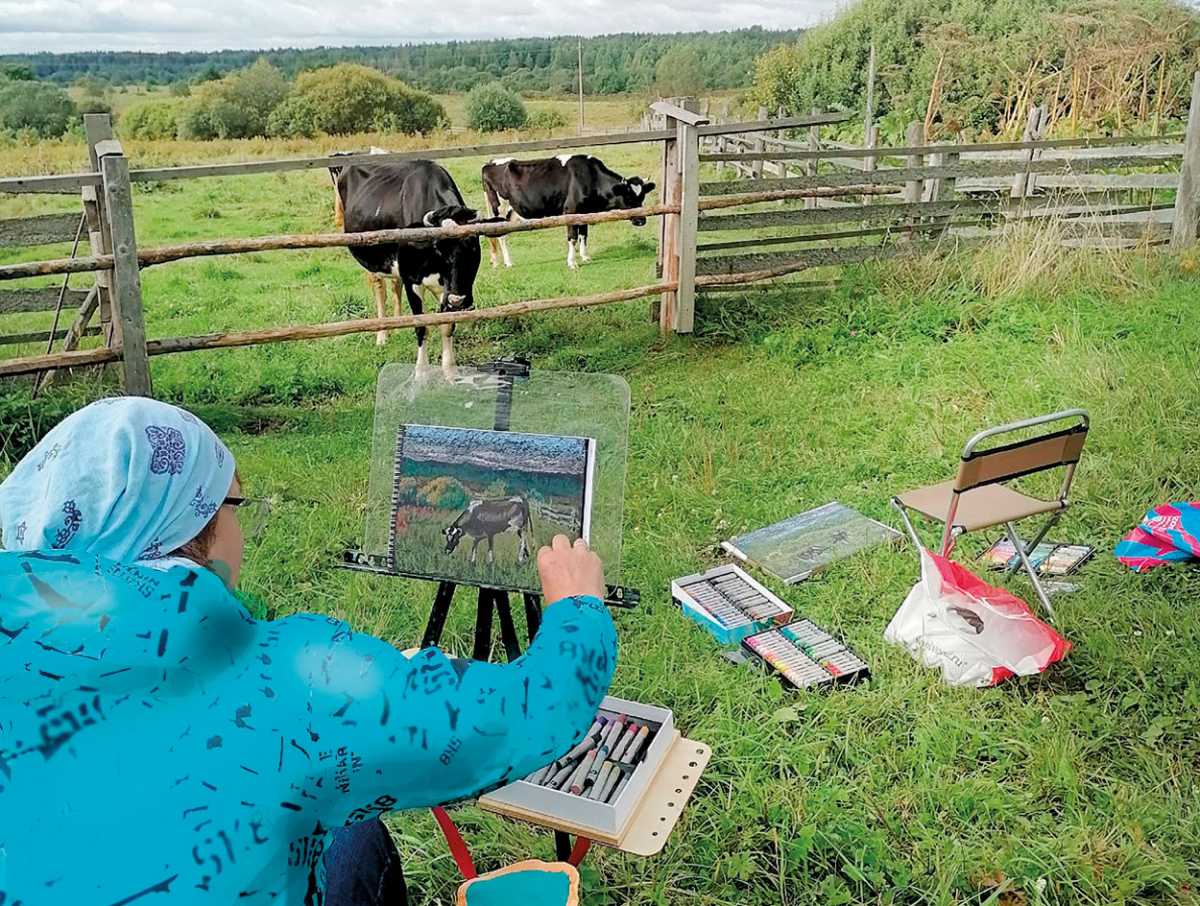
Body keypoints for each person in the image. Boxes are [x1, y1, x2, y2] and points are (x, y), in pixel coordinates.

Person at [0, 397, 617, 905]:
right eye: (233, 505)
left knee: (349, 830)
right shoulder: (286, 682)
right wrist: (577, 607)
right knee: (354, 828)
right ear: (193, 526)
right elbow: (523, 713)